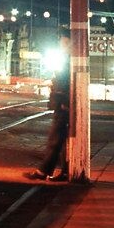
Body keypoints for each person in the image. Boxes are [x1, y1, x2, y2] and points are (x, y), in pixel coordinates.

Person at [27, 38, 71, 182]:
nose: (61, 45)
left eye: (63, 42)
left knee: (56, 137)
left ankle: (44, 170)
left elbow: (63, 83)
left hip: (63, 104)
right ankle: (66, 170)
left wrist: (62, 101)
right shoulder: (67, 59)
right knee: (63, 139)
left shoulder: (69, 60)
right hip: (63, 102)